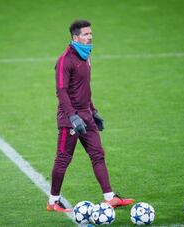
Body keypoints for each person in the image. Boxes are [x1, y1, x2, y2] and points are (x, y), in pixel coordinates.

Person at [47, 19, 134, 212]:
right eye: (86, 34)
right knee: (63, 158)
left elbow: (84, 88)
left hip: (86, 115)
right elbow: (61, 91)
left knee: (97, 154)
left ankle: (110, 197)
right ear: (75, 37)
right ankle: (53, 201)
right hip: (69, 118)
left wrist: (93, 111)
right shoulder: (65, 60)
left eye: (91, 33)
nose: (90, 37)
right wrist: (72, 117)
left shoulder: (86, 56)